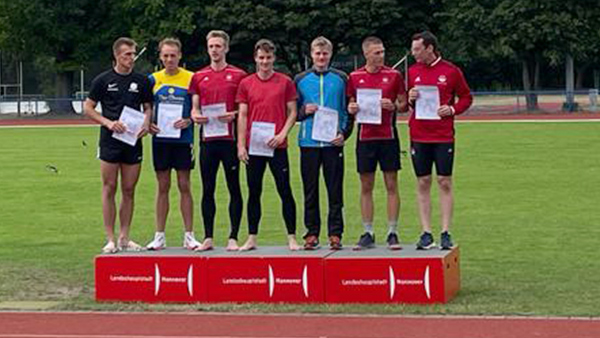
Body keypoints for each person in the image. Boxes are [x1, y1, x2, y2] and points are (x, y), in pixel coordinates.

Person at [84, 37, 153, 253]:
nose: (131, 58)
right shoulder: (103, 80)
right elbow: (88, 107)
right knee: (109, 187)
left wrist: (146, 122)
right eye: (127, 54)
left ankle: (125, 237)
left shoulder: (142, 81)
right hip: (110, 142)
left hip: (132, 141)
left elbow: (148, 107)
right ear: (116, 55)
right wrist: (108, 123)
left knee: (129, 189)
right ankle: (110, 239)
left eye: (133, 54)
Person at [407, 31, 473, 250]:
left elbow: (466, 97)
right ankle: (426, 232)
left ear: (429, 48)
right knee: (423, 181)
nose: (413, 53)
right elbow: (407, 101)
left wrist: (452, 109)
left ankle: (445, 231)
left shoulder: (451, 71)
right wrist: (410, 98)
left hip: (443, 135)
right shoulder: (412, 71)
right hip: (418, 134)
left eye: (417, 49)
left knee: (444, 181)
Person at [236, 39, 300, 251]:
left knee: (285, 190)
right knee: (254, 192)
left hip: (277, 145)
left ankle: (292, 237)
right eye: (261, 58)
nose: (265, 62)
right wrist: (241, 145)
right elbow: (243, 115)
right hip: (254, 147)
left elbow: (292, 112)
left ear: (274, 58)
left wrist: (283, 134)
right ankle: (252, 237)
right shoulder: (246, 83)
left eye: (268, 58)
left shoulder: (285, 82)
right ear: (255, 58)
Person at [347, 36, 407, 250]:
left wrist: (394, 106)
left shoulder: (394, 75)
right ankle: (368, 232)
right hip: (365, 139)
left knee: (391, 184)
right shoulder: (354, 77)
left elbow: (404, 103)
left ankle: (392, 231)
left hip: (388, 137)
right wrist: (351, 108)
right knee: (366, 186)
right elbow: (350, 103)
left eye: (382, 52)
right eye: (377, 53)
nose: (381, 56)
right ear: (366, 54)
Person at [189, 30, 247, 251]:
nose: (215, 50)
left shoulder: (239, 75)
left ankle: (233, 237)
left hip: (230, 140)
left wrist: (232, 115)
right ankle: (208, 237)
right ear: (207, 48)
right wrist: (195, 115)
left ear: (226, 48)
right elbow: (194, 109)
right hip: (208, 141)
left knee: (234, 187)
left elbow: (243, 109)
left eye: (218, 46)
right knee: (207, 189)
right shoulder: (198, 76)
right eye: (211, 46)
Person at [295, 36, 353, 250]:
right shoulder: (300, 79)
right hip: (308, 143)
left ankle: (335, 233)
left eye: (325, 53)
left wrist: (344, 134)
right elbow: (292, 112)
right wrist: (303, 111)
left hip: (332, 143)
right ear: (311, 55)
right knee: (310, 190)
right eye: (317, 53)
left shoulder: (341, 78)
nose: (321, 57)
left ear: (330, 55)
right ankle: (311, 233)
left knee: (335, 190)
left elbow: (348, 109)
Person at [144, 38, 201, 250]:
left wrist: (189, 120)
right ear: (160, 56)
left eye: (173, 55)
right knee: (163, 187)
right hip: (161, 140)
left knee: (184, 185)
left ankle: (189, 235)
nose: (169, 59)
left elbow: (197, 109)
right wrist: (148, 124)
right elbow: (146, 108)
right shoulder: (152, 79)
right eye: (165, 55)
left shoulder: (191, 78)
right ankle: (159, 235)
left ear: (180, 56)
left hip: (183, 139)